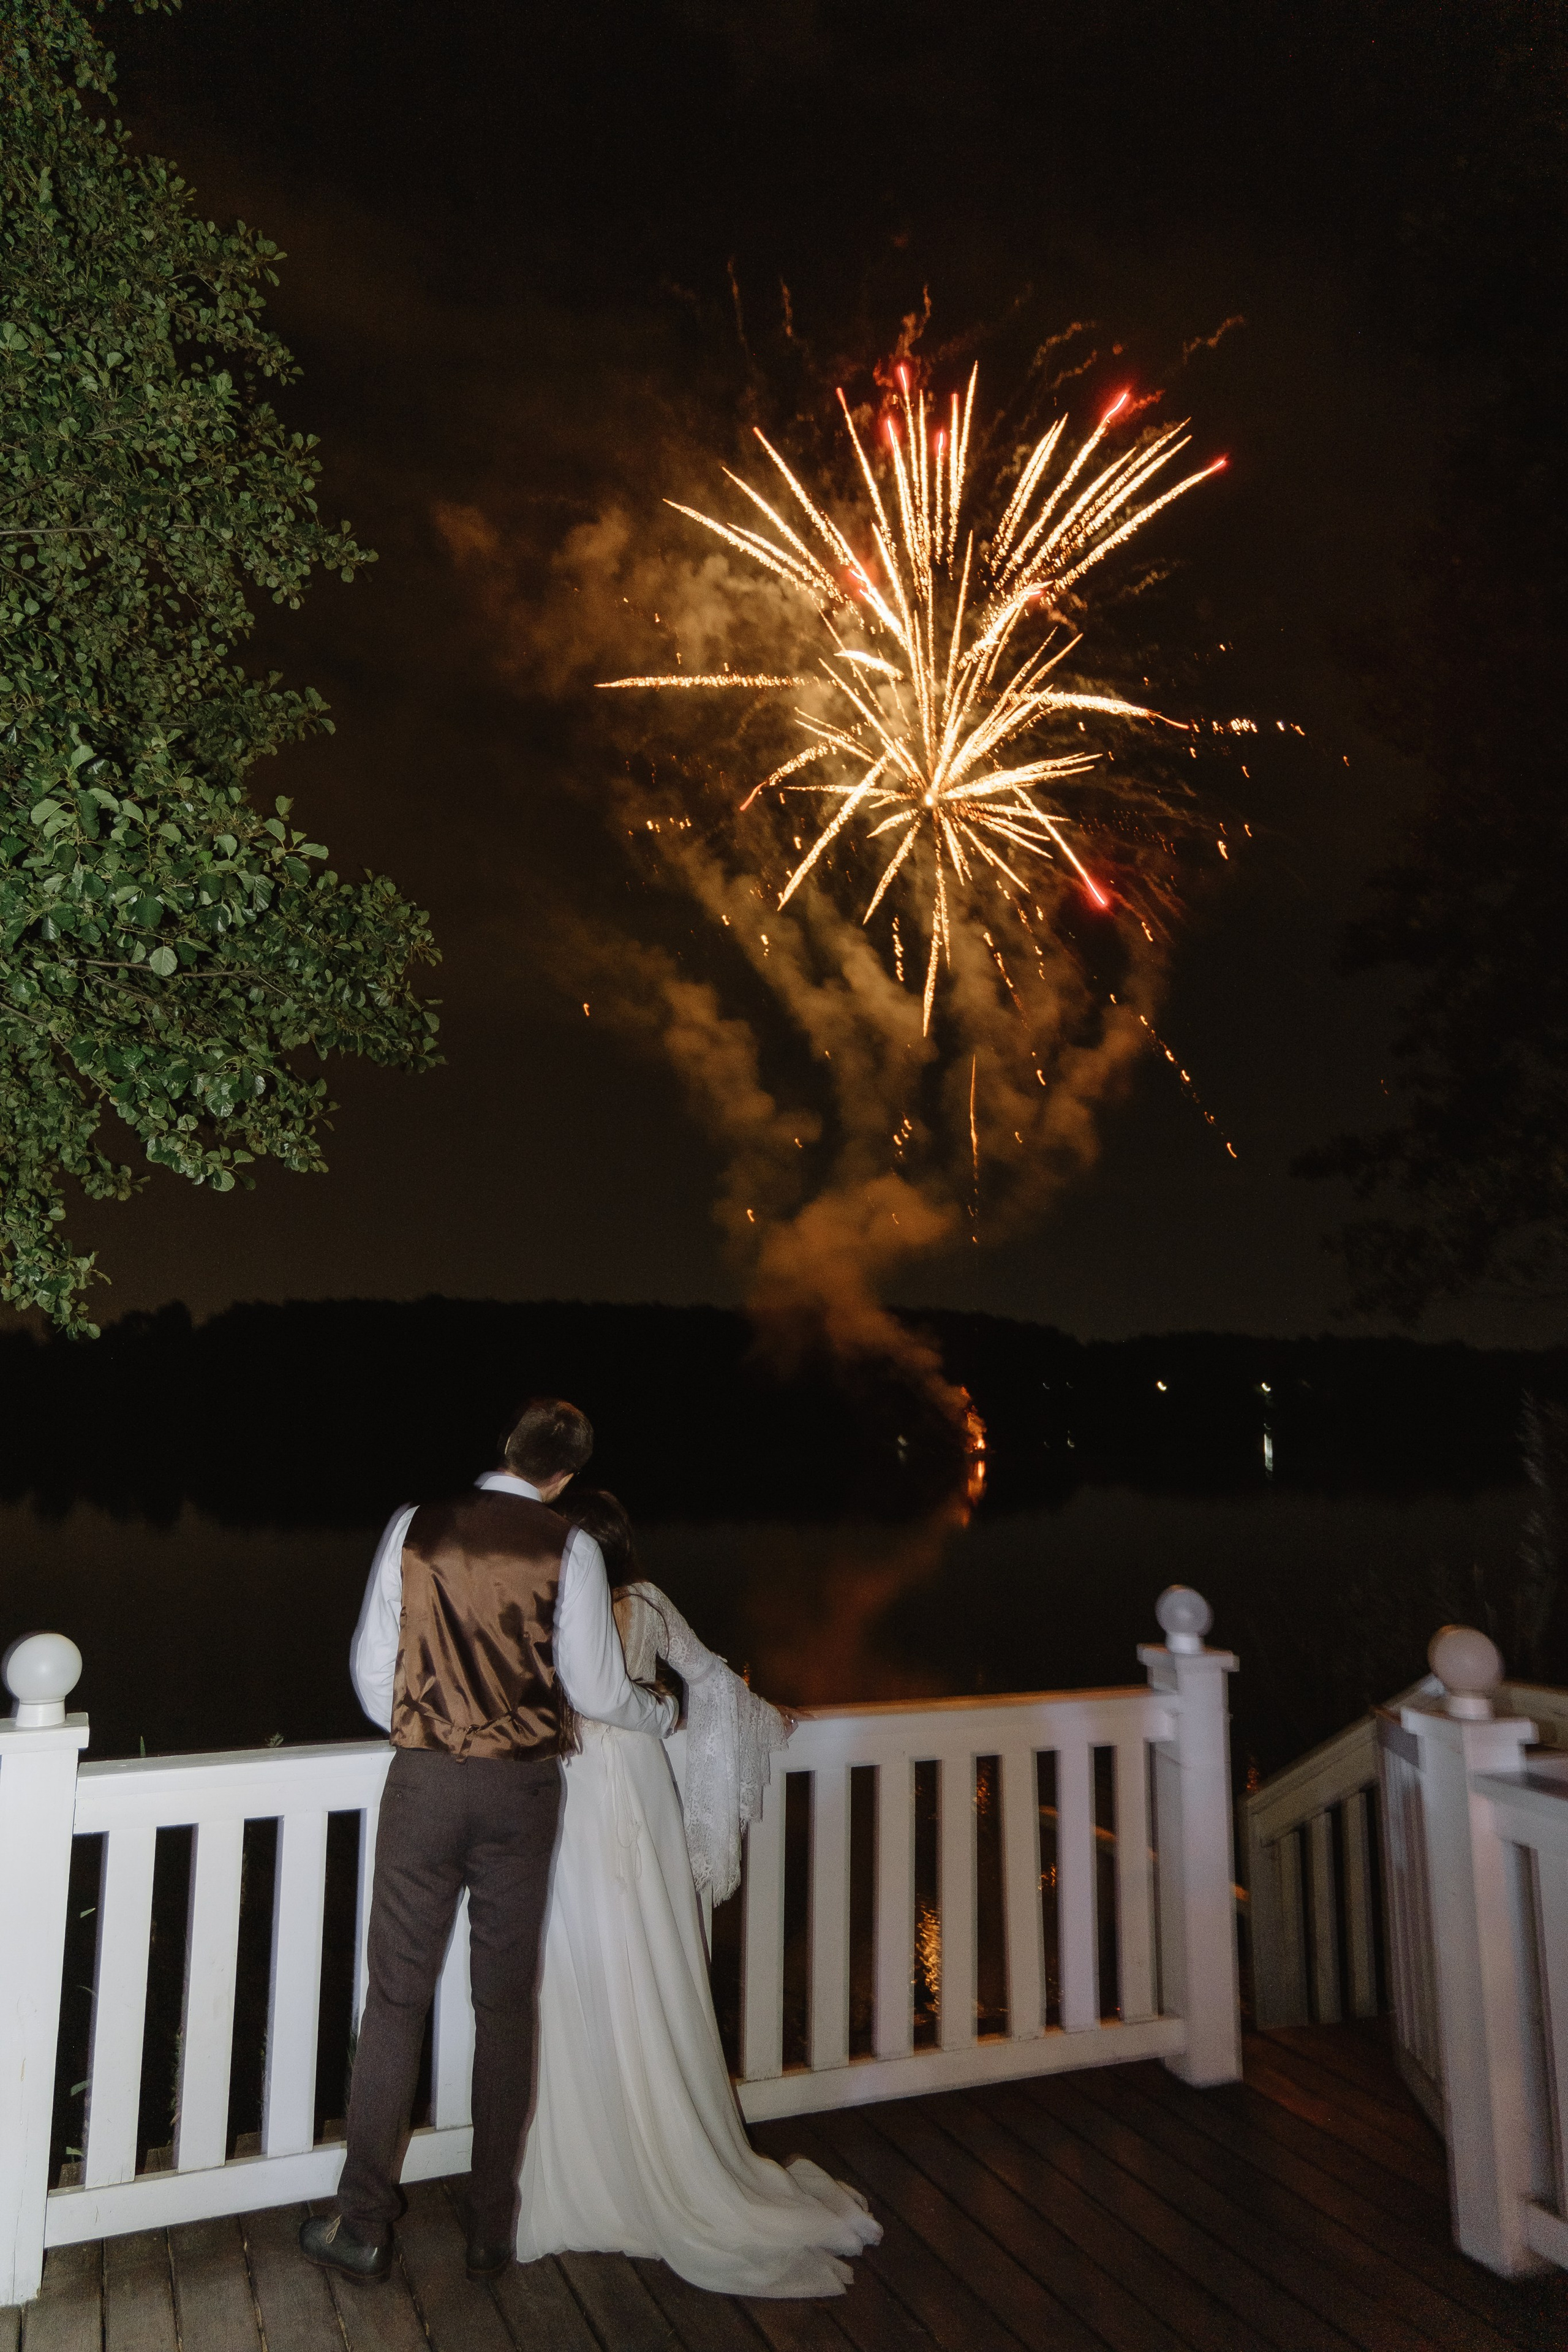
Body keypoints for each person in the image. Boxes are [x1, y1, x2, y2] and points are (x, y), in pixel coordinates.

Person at [300, 1400, 676, 2287]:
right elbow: (592, 1685)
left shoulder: (413, 1524)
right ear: (565, 1476)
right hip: (520, 1792)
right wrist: (656, 1711)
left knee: (395, 2000)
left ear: (505, 1448)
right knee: (504, 2004)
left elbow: (367, 1666)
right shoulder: (571, 1546)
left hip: (425, 1783)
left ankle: (362, 2225)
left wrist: (425, 1724)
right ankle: (489, 2226)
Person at [516, 1488, 881, 2297]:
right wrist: (764, 1720)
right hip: (636, 1787)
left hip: (571, 1793)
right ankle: (661, 2147)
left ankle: (593, 2163)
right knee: (644, 1958)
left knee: (578, 1967)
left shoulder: (548, 1597)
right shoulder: (646, 1600)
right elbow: (711, 1679)